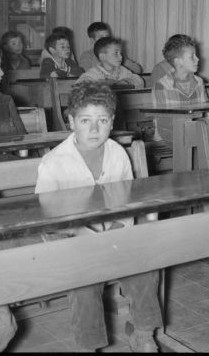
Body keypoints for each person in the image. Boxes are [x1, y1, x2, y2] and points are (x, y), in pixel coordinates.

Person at [34, 82, 162, 352]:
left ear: (112, 122)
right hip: (70, 244)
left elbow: (127, 204)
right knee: (84, 284)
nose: (94, 129)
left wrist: (116, 229)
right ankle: (88, 346)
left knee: (144, 266)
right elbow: (45, 221)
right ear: (71, 121)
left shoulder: (118, 154)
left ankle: (143, 333)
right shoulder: (54, 163)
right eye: (85, 120)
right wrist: (79, 236)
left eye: (102, 120)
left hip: (115, 236)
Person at [151, 34, 209, 146]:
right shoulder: (163, 85)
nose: (198, 59)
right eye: (192, 56)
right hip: (170, 135)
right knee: (203, 153)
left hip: (196, 131)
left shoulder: (199, 82)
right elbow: (164, 122)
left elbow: (206, 111)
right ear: (178, 62)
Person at [76, 37, 144, 89]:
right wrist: (102, 83)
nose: (120, 57)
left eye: (120, 53)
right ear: (102, 56)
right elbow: (79, 85)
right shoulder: (93, 73)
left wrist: (126, 82)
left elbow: (140, 81)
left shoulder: (122, 70)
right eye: (116, 53)